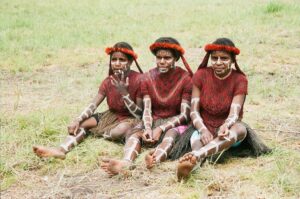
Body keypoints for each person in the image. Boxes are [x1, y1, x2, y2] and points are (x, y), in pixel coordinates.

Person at [173, 38, 270, 180]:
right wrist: (203, 129)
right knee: (198, 142)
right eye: (214, 58)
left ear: (232, 60)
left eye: (224, 58)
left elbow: (235, 112)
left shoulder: (240, 79)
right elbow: (193, 111)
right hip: (202, 127)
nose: (218, 62)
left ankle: (197, 156)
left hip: (227, 130)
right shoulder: (201, 75)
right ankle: (192, 164)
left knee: (240, 129)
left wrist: (226, 125)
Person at [33, 42, 144, 159]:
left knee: (121, 130)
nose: (117, 63)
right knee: (81, 125)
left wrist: (125, 94)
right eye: (114, 59)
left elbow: (139, 113)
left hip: (130, 119)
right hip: (111, 116)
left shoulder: (139, 80)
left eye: (122, 60)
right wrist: (77, 120)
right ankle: (61, 150)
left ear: (130, 62)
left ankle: (101, 134)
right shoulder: (108, 81)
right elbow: (93, 104)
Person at [101, 37, 193, 176]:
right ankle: (125, 163)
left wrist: (160, 128)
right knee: (135, 134)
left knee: (170, 136)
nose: (162, 61)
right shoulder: (148, 77)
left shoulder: (185, 78)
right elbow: (147, 109)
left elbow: (184, 114)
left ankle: (154, 160)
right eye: (159, 57)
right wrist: (149, 128)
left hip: (174, 123)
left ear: (176, 58)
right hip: (153, 120)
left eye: (167, 58)